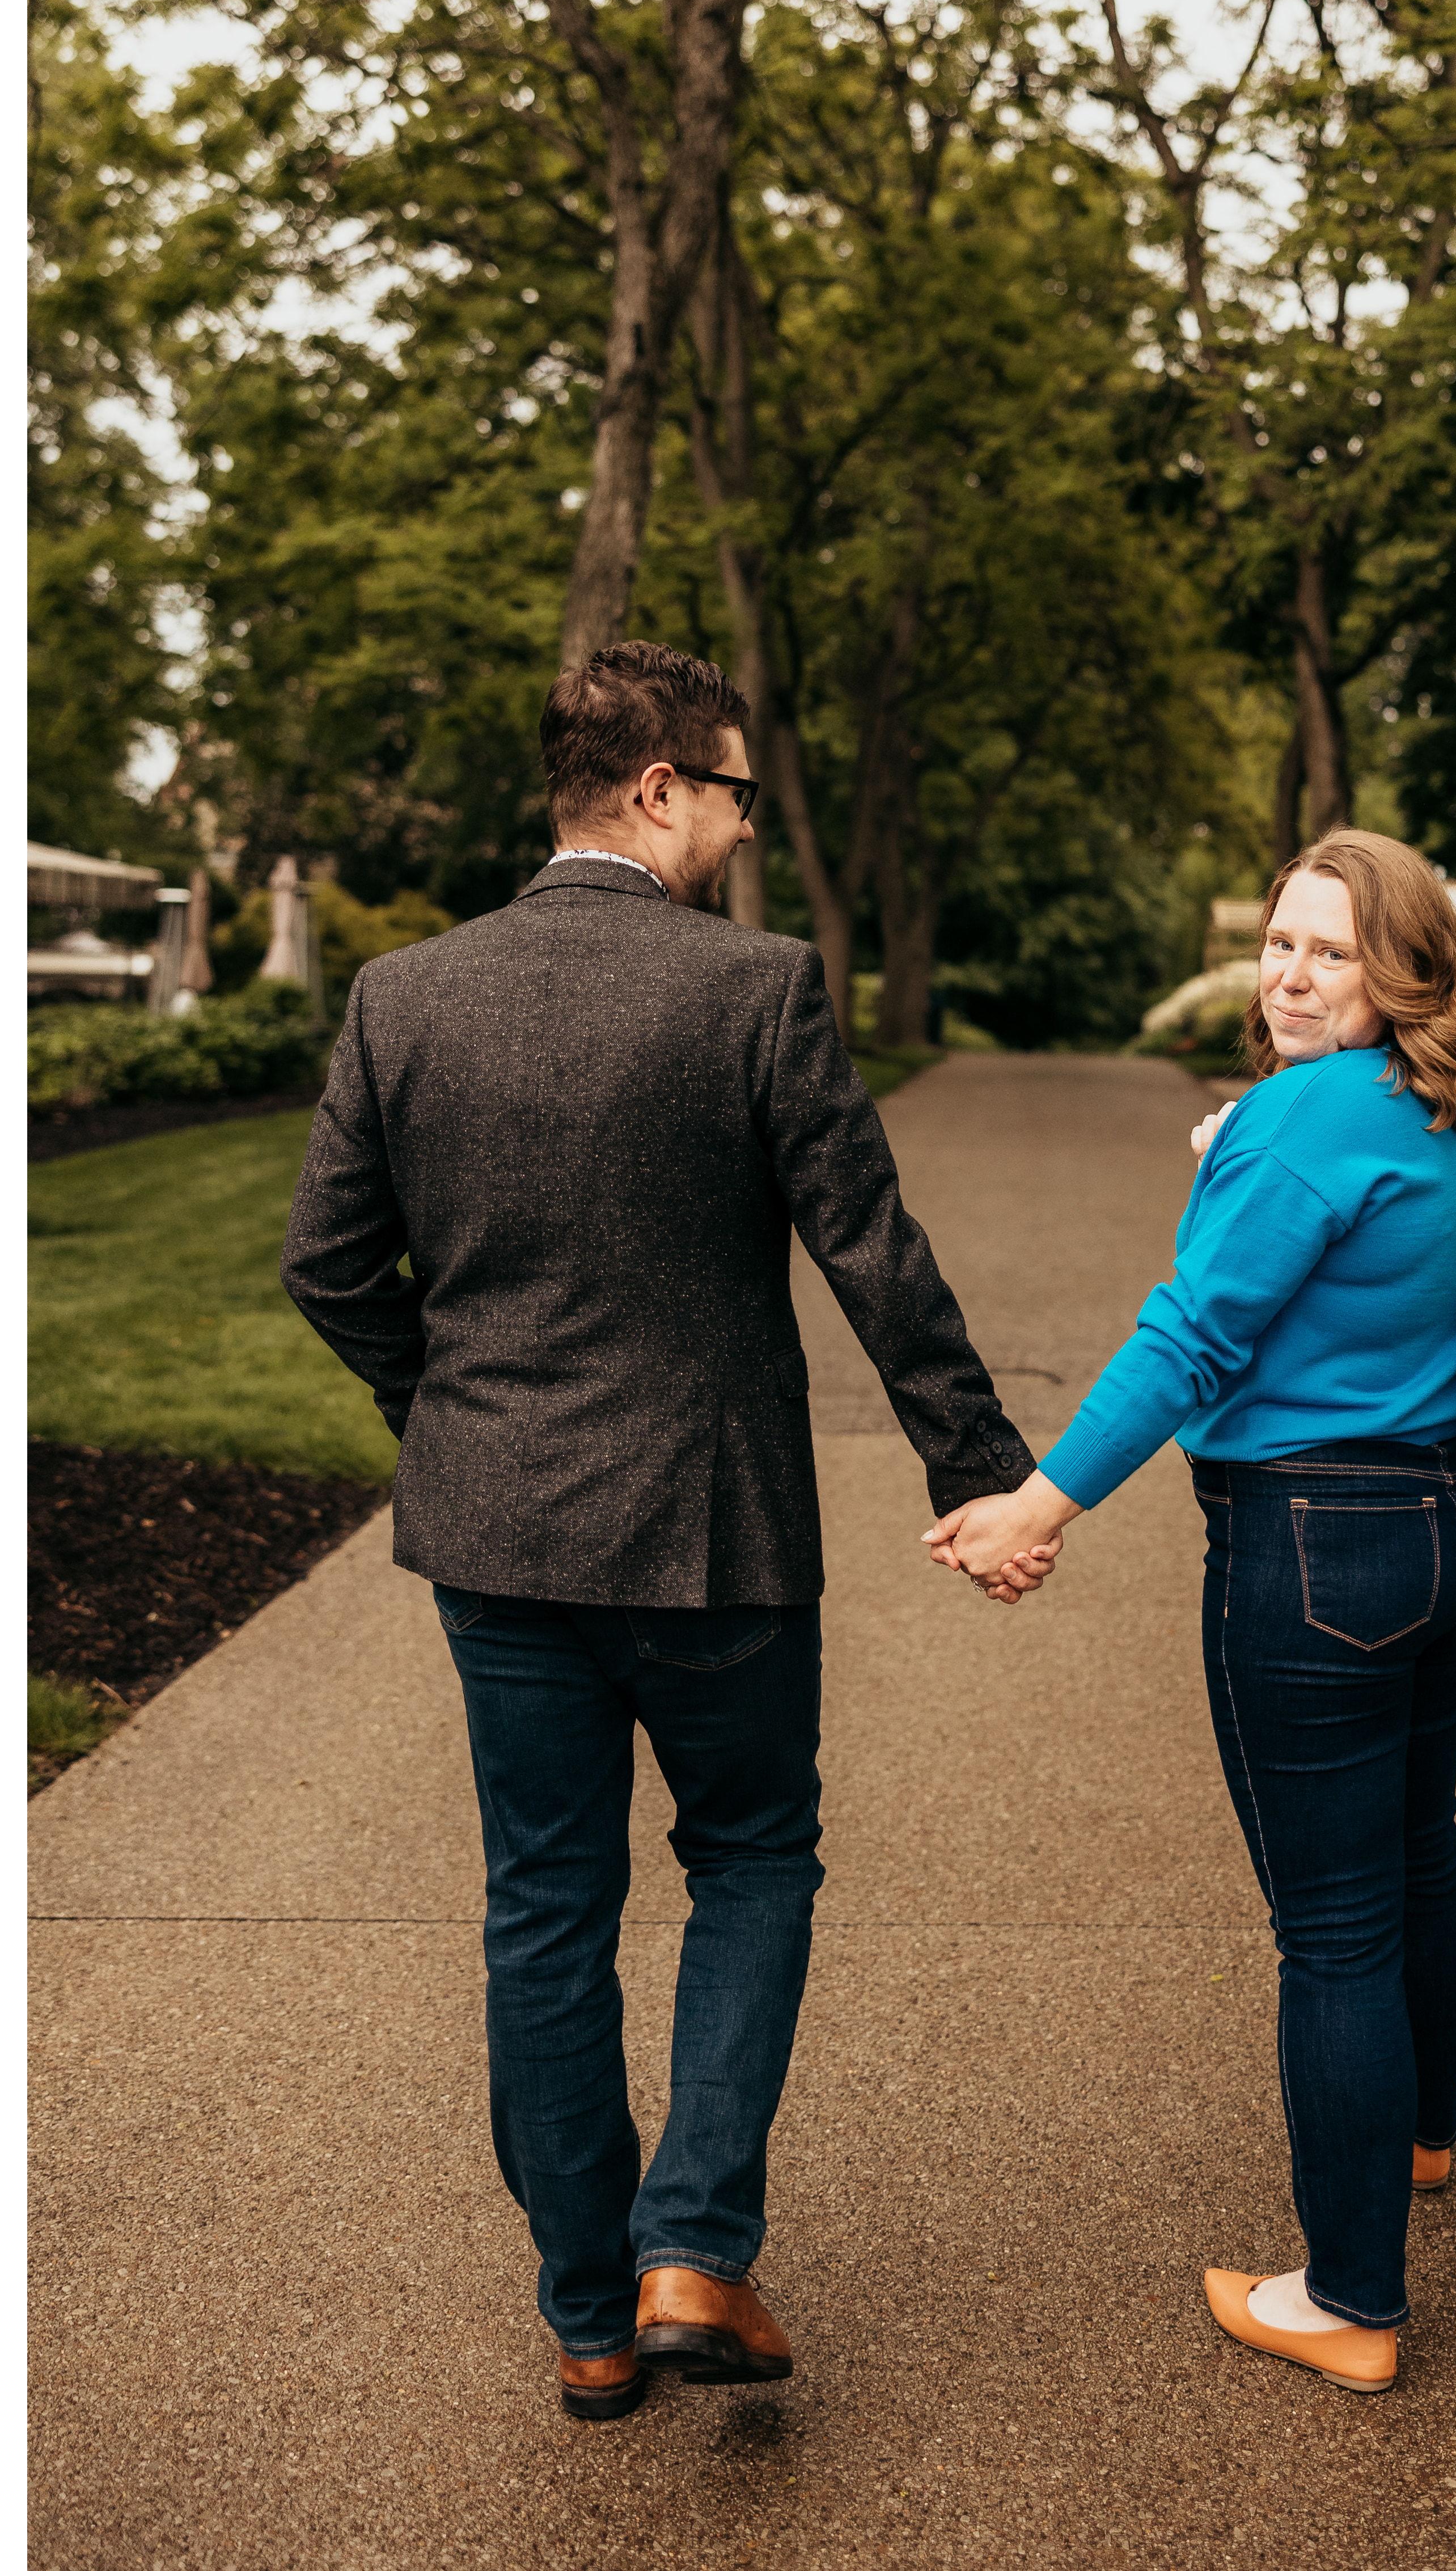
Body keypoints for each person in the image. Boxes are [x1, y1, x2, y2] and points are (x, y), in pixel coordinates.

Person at [280, 641, 1039, 2426]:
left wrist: (450, 1410)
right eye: (736, 793)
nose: (746, 827)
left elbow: (324, 1267)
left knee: (547, 1909)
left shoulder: (406, 998)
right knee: (755, 1859)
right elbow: (872, 1248)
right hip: (719, 1540)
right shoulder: (758, 990)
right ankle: (693, 2243)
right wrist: (979, 1472)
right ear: (654, 792)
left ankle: (590, 2317)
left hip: (499, 1539)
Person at [926, 827, 1456, 2397]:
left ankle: (1349, 2298)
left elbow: (1188, 1343)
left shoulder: (1295, 1124)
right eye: (1280, 943)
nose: (1286, 973)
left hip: (1317, 1552)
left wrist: (1037, 1507)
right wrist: (1238, 1160)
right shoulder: (1435, 1102)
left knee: (1331, 1931)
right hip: (1452, 1532)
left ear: (1401, 970)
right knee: (1418, 1848)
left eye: (1328, 952)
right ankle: (1417, 2133)